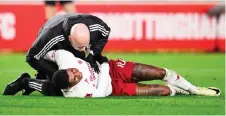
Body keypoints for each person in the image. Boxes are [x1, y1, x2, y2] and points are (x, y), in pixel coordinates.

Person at [3, 50, 220, 97]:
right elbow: (101, 93)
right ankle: (27, 83)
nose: (77, 74)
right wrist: (103, 67)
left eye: (73, 72)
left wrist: (41, 63)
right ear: (72, 86)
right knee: (162, 91)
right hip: (112, 85)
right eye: (75, 79)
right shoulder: (77, 92)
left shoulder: (65, 59)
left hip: (116, 68)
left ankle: (195, 89)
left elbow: (50, 53)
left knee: (159, 71)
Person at [20, 13, 111, 95]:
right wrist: (58, 73)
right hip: (52, 38)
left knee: (80, 57)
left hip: (67, 34)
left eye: (86, 45)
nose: (84, 49)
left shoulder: (96, 25)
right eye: (80, 47)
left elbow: (106, 32)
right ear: (70, 38)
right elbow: (31, 57)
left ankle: (40, 78)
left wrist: (92, 54)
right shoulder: (51, 37)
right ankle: (26, 82)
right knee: (61, 85)